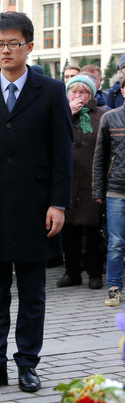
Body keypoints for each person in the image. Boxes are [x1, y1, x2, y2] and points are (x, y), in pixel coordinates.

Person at [0, 12, 72, 393]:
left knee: (33, 293)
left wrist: (58, 203)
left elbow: (62, 152)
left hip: (35, 207)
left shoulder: (51, 91)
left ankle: (28, 363)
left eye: (13, 43)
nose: (5, 50)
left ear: (29, 46)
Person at [56, 75, 105, 290]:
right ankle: (72, 272)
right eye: (74, 92)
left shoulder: (102, 116)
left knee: (92, 228)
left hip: (92, 179)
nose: (78, 96)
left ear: (91, 95)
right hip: (67, 180)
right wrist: (68, 114)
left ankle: (95, 273)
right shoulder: (59, 114)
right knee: (69, 229)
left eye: (83, 92)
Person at [93, 77, 125, 307]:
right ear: (122, 90)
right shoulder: (110, 118)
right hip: (116, 190)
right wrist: (98, 190)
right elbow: (100, 158)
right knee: (115, 242)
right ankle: (114, 287)